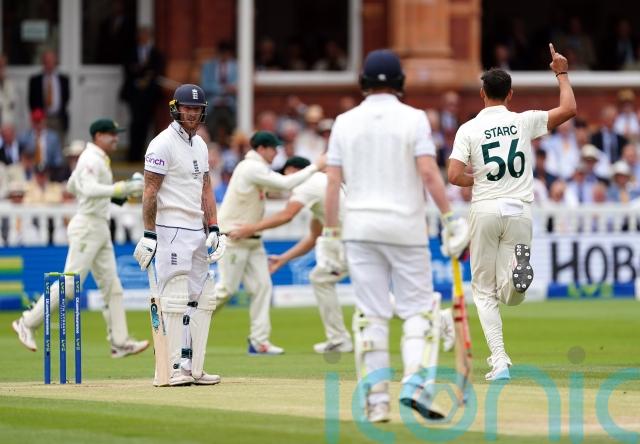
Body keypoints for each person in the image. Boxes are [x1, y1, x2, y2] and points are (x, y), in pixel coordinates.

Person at [322, 49, 469, 423]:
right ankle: (415, 384)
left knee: (370, 315)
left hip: (359, 228)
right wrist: (450, 218)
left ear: (363, 83)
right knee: (418, 309)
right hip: (405, 227)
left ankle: (376, 402)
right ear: (400, 83)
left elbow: (333, 182)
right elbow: (428, 172)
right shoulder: (414, 118)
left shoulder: (343, 122)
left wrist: (331, 233)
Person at [229, 156, 456, 355]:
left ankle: (434, 316)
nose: (285, 183)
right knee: (326, 280)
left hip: (354, 243)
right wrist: (284, 258)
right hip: (361, 239)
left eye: (286, 175)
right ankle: (340, 338)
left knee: (366, 293)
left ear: (294, 171)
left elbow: (287, 215)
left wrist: (250, 228)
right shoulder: (322, 187)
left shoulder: (307, 184)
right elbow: (313, 237)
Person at [447, 44, 576, 381]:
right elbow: (569, 109)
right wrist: (562, 73)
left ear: (482, 93)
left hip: (486, 208)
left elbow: (453, 175)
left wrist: (474, 178)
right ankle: (518, 280)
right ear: (510, 95)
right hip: (520, 209)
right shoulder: (522, 121)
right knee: (511, 295)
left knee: (483, 291)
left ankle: (500, 360)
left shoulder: (469, 129)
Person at [12, 118, 149, 358]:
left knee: (112, 288)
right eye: (112, 134)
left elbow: (74, 186)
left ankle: (119, 342)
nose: (116, 138)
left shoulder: (96, 159)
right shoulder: (91, 159)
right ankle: (27, 322)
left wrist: (120, 193)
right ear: (99, 136)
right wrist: (122, 188)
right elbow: (87, 189)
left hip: (99, 227)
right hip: (87, 227)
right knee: (69, 285)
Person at [133, 84, 226, 387]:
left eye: (197, 109)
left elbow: (206, 187)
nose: (192, 113)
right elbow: (150, 191)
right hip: (170, 229)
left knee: (203, 298)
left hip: (196, 230)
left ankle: (193, 367)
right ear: (175, 109)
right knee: (173, 299)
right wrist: (149, 233)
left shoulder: (200, 145)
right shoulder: (162, 144)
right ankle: (170, 368)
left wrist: (214, 227)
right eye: (187, 108)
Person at [214, 131, 325, 355]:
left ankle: (259, 341)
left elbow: (282, 187)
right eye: (274, 148)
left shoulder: (259, 169)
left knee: (262, 288)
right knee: (226, 290)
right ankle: (186, 326)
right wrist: (315, 167)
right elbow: (284, 184)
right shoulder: (250, 167)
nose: (277, 152)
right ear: (262, 148)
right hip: (234, 237)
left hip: (253, 240)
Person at [120, 26, 165, 162]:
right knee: (135, 123)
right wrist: (142, 74)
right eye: (141, 35)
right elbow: (129, 69)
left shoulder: (156, 54)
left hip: (150, 95)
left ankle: (146, 154)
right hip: (134, 94)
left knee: (147, 124)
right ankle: (133, 154)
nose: (143, 38)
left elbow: (157, 71)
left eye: (146, 35)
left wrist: (145, 76)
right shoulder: (131, 52)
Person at [28, 50, 70, 145]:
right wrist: (37, 119)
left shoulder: (64, 79)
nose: (49, 64)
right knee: (42, 145)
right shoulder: (35, 80)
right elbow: (31, 102)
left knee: (60, 144)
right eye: (47, 61)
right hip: (42, 120)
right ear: (43, 62)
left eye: (51, 61)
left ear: (56, 62)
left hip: (59, 119)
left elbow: (66, 98)